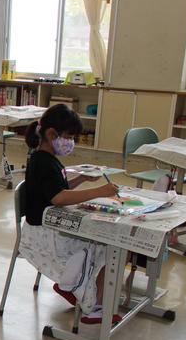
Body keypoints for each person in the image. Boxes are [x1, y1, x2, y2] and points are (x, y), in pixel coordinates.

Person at [19, 104, 121, 324]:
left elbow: (57, 190)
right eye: (69, 137)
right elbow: (59, 197)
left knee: (105, 243)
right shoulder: (43, 162)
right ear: (51, 134)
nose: (71, 142)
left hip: (51, 225)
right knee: (104, 245)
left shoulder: (47, 159)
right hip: (45, 234)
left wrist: (82, 179)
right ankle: (87, 299)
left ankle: (79, 288)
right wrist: (99, 191)